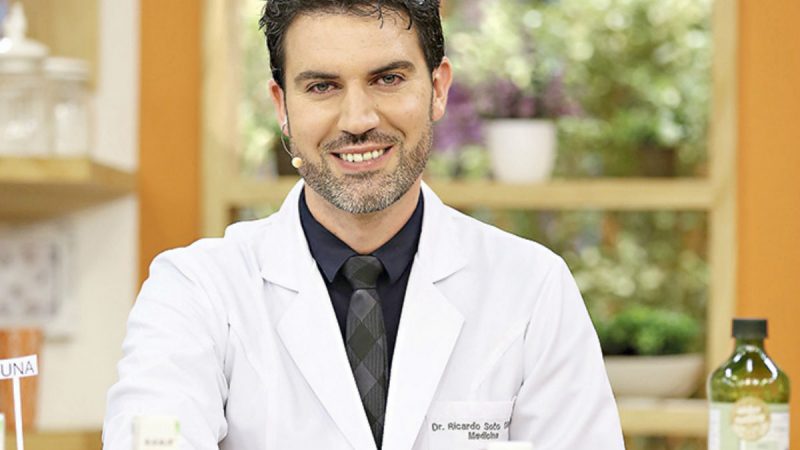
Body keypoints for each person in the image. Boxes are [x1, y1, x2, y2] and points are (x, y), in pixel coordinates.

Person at [103, 1, 625, 449]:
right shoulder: (196, 291)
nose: (358, 120)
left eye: (388, 79)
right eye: (322, 86)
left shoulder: (532, 287)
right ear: (282, 107)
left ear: (438, 88)